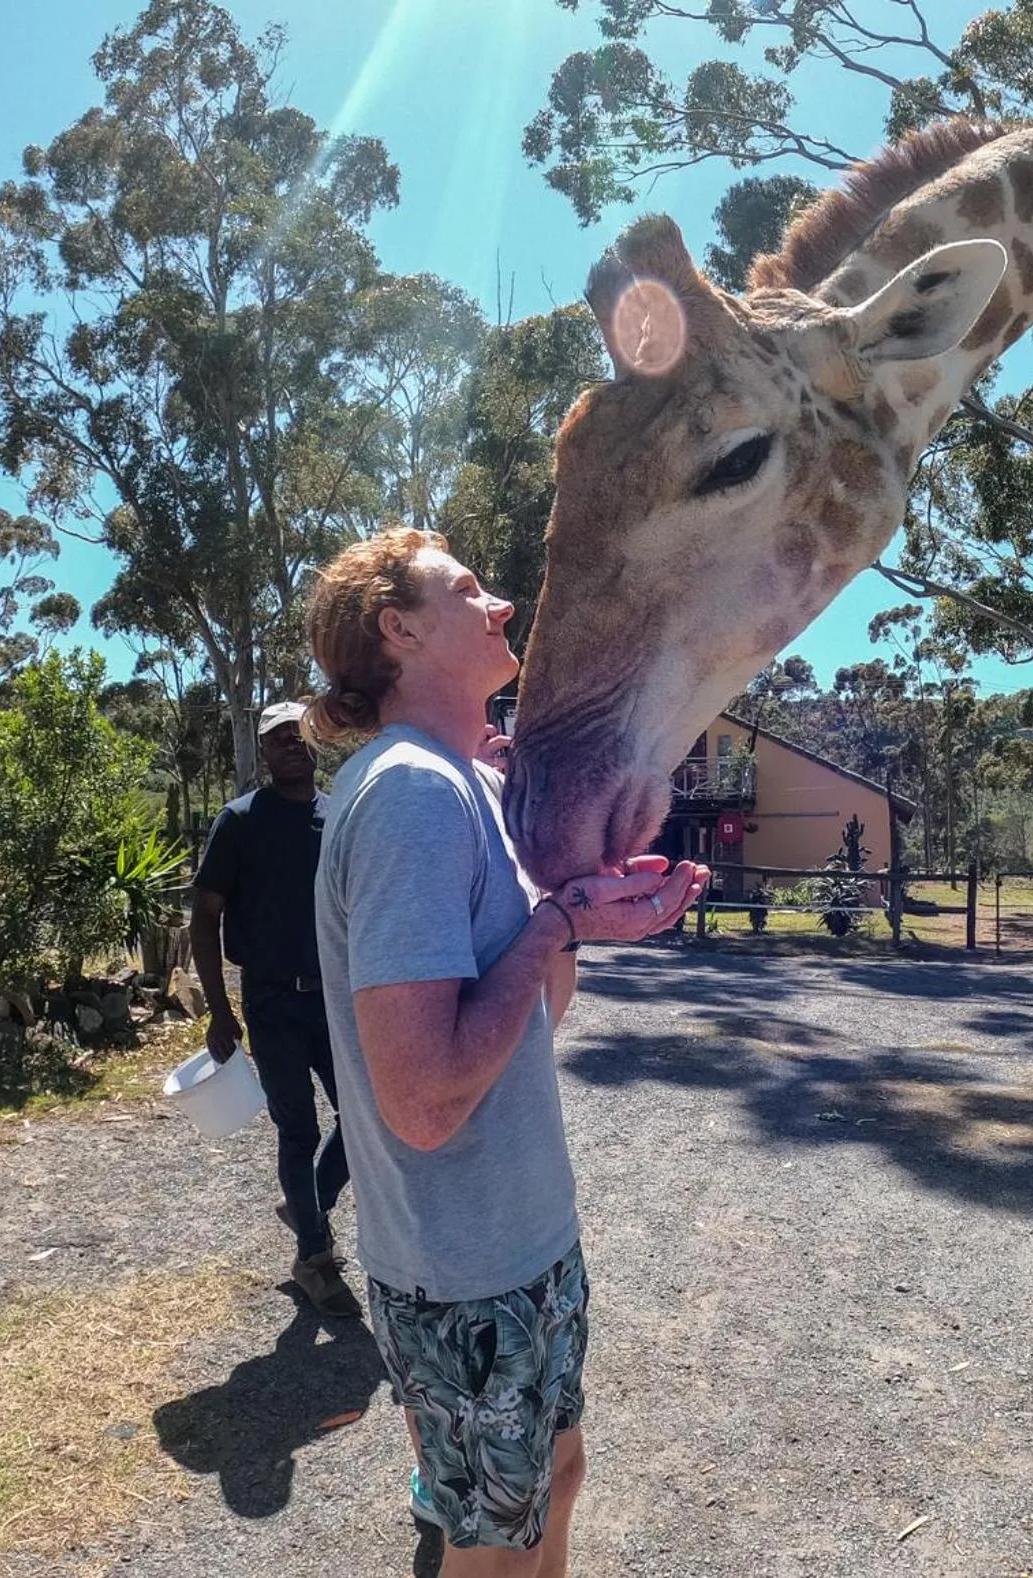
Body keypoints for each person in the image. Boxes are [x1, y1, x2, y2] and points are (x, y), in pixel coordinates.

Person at [305, 527, 706, 1577]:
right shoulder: (409, 796)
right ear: (398, 630)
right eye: (468, 590)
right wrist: (551, 925)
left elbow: (538, 1010)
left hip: (525, 1243)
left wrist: (575, 898)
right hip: (463, 1271)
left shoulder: (471, 786)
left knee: (554, 1482)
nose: (503, 605)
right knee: (491, 1547)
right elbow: (426, 1100)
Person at [189, 699, 358, 1317]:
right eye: (278, 738)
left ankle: (309, 1200)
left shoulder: (339, 817)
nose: (291, 744)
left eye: (301, 735)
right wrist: (217, 1009)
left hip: (338, 999)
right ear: (262, 751)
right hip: (271, 1002)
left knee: (366, 1120)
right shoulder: (239, 823)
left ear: (317, 744)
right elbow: (204, 920)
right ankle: (314, 1256)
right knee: (299, 1128)